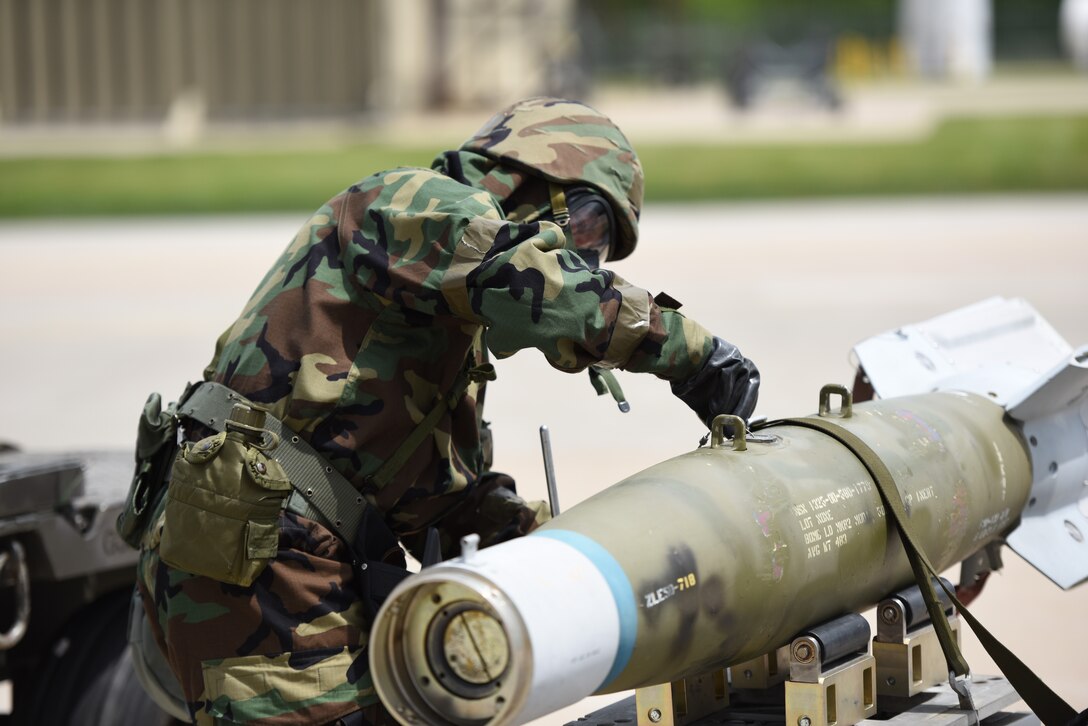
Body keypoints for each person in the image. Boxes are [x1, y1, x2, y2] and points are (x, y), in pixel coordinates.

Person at [131, 97, 759, 725]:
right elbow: (527, 275)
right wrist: (692, 353)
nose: (586, 257)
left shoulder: (444, 314)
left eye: (601, 250)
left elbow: (440, 501)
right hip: (264, 558)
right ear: (535, 179)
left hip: (284, 553)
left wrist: (579, 550)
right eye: (591, 229)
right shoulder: (415, 202)